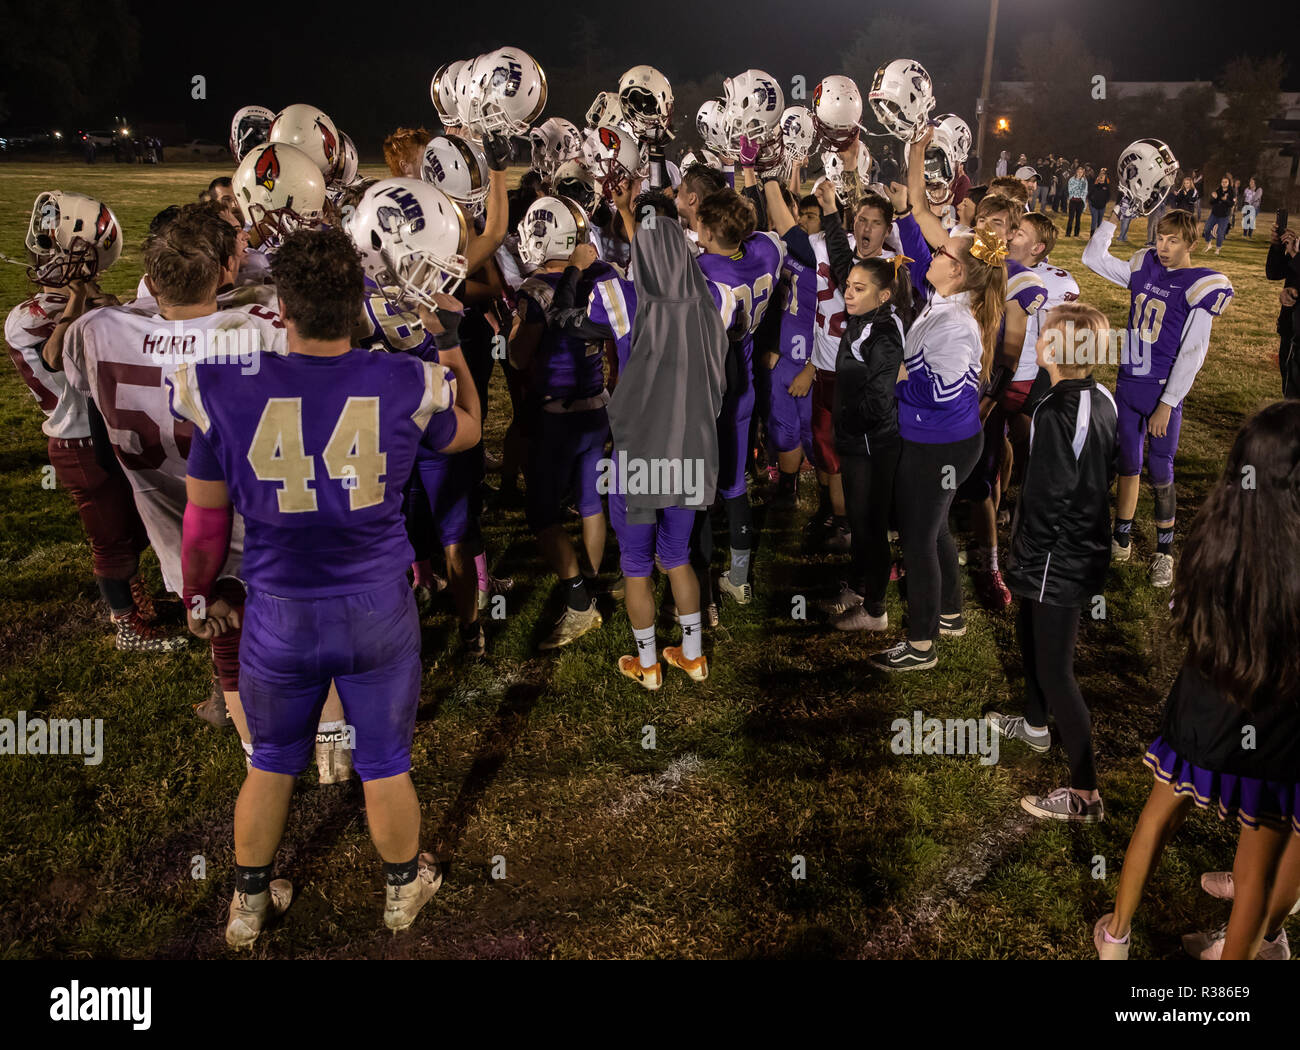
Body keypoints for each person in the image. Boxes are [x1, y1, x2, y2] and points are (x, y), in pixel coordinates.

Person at [169, 227, 479, 946]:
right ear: (358, 304)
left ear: (285, 303)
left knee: (272, 761)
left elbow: (204, 521)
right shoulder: (403, 380)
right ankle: (403, 890)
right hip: (377, 608)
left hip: (278, 613)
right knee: (384, 762)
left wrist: (200, 595)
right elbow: (471, 431)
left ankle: (247, 906)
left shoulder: (222, 385)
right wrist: (451, 346)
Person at [1094, 401, 1300, 960]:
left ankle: (1116, 934)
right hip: (1279, 734)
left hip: (1206, 712)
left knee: (1157, 816)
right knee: (1262, 863)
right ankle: (1254, 951)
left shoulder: (1217, 537)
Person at [550, 200, 734, 688]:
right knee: (676, 556)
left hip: (640, 455)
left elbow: (567, 322)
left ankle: (649, 664)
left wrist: (572, 275)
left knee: (635, 564)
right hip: (694, 448)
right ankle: (693, 656)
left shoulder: (620, 296)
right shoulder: (715, 296)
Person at [7, 192, 172, 650]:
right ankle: (124, 623)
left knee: (132, 526)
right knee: (110, 538)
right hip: (75, 439)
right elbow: (57, 356)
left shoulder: (95, 307)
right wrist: (82, 295)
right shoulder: (24, 318)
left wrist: (92, 298)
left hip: (103, 431)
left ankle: (134, 598)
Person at [871, 135, 1007, 672]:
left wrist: (898, 377)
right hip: (943, 441)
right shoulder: (951, 292)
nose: (934, 250)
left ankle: (922, 644)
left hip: (939, 446)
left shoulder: (954, 322)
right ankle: (950, 613)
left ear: (957, 269)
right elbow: (924, 213)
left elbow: (945, 392)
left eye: (944, 252)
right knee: (935, 529)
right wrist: (915, 151)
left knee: (919, 539)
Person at [988, 304, 1117, 823]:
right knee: (1030, 637)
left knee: (1056, 669)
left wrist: (1028, 551)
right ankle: (1034, 724)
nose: (1038, 340)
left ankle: (1086, 794)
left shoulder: (1061, 409)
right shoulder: (1084, 396)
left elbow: (1054, 494)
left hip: (1056, 554)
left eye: (1046, 335)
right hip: (1059, 549)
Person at [1083, 207, 1234, 588]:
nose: (1164, 248)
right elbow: (1091, 258)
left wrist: (1167, 403)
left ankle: (1164, 552)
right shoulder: (1143, 265)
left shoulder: (1201, 283)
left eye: (1173, 241)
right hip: (1128, 381)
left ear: (1191, 244)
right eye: (1160, 239)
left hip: (1160, 390)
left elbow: (1193, 353)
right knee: (1128, 465)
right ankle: (1122, 537)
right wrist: (1114, 217)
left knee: (1161, 471)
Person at [828, 256, 909, 632]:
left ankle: (875, 610)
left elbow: (879, 397)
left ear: (884, 295)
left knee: (870, 526)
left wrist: (851, 420)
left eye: (859, 289)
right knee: (862, 525)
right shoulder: (868, 318)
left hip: (871, 445)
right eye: (848, 286)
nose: (848, 293)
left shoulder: (884, 333)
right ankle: (860, 587)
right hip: (858, 440)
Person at [1266, 221, 1300, 397]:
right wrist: (1278, 247)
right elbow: (1274, 272)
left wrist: (1296, 256)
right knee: (1290, 393)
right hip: (1291, 328)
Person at [1201, 176, 1234, 253]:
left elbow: (1231, 204)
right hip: (1214, 214)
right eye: (1223, 182)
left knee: (1220, 232)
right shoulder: (1217, 190)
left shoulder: (1231, 192)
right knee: (1207, 229)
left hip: (1224, 216)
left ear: (1228, 183)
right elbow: (1211, 203)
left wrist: (1226, 200)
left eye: (1226, 182)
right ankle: (1208, 244)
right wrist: (1214, 198)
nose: (1224, 183)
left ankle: (1218, 248)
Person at [1087, 167, 1111, 237]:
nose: (1101, 178)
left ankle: (1098, 236)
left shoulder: (1106, 187)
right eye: (1100, 177)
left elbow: (1108, 196)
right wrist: (1091, 202)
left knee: (1100, 222)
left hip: (1102, 206)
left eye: (1102, 177)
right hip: (1094, 206)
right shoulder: (1095, 186)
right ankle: (1091, 236)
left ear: (1105, 178)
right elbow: (1089, 195)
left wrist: (1104, 202)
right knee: (1094, 220)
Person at [1066, 166, 1087, 237]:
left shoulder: (1084, 181)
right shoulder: (1071, 179)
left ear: (1083, 173)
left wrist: (1082, 197)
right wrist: (1077, 190)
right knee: (1071, 218)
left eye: (1081, 172)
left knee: (1078, 218)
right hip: (1073, 200)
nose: (1079, 173)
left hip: (1080, 202)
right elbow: (1070, 190)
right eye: (1078, 172)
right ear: (1076, 171)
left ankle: (1076, 234)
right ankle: (1068, 233)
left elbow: (1085, 191)